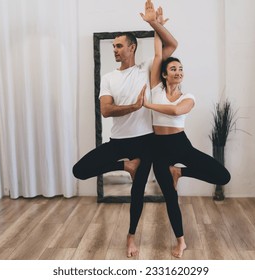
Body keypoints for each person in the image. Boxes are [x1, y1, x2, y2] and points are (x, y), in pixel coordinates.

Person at [72, 0, 177, 258]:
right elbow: (105, 110)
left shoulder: (146, 72)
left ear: (132, 47)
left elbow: (171, 45)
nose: (115, 50)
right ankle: (125, 166)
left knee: (137, 192)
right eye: (113, 46)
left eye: (119, 45)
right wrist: (133, 107)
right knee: (80, 169)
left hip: (145, 142)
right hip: (118, 140)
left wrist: (153, 23)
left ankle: (131, 237)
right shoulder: (109, 77)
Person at [142, 21, 231, 258]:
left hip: (181, 146)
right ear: (163, 74)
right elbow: (159, 52)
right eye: (173, 69)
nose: (178, 72)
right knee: (170, 198)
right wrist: (155, 24)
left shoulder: (188, 96)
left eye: (181, 69)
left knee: (222, 176)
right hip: (158, 148)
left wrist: (148, 105)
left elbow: (176, 111)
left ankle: (179, 172)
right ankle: (180, 241)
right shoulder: (155, 88)